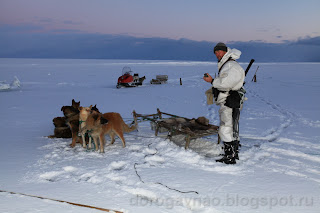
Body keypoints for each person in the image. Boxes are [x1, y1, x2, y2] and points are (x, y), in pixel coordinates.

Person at [203, 42, 245, 164]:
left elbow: (226, 83)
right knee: (231, 127)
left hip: (229, 100)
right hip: (230, 99)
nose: (217, 54)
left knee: (226, 127)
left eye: (219, 52)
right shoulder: (228, 64)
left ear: (225, 51)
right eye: (215, 52)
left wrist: (212, 81)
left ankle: (230, 156)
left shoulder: (231, 65)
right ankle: (232, 152)